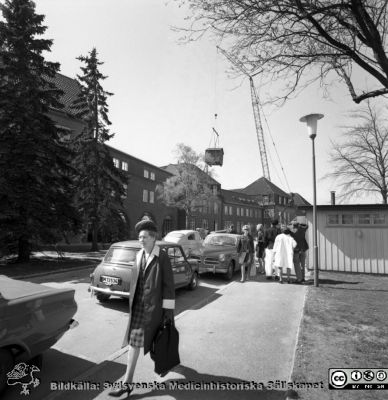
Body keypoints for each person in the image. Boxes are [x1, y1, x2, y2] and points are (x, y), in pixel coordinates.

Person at [109, 219, 175, 398]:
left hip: (156, 311)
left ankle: (163, 364)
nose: (141, 240)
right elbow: (136, 283)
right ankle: (127, 384)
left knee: (159, 342)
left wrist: (168, 314)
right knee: (134, 343)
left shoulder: (162, 256)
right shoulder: (138, 255)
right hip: (139, 310)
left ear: (153, 238)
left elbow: (169, 286)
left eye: (144, 237)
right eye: (139, 237)